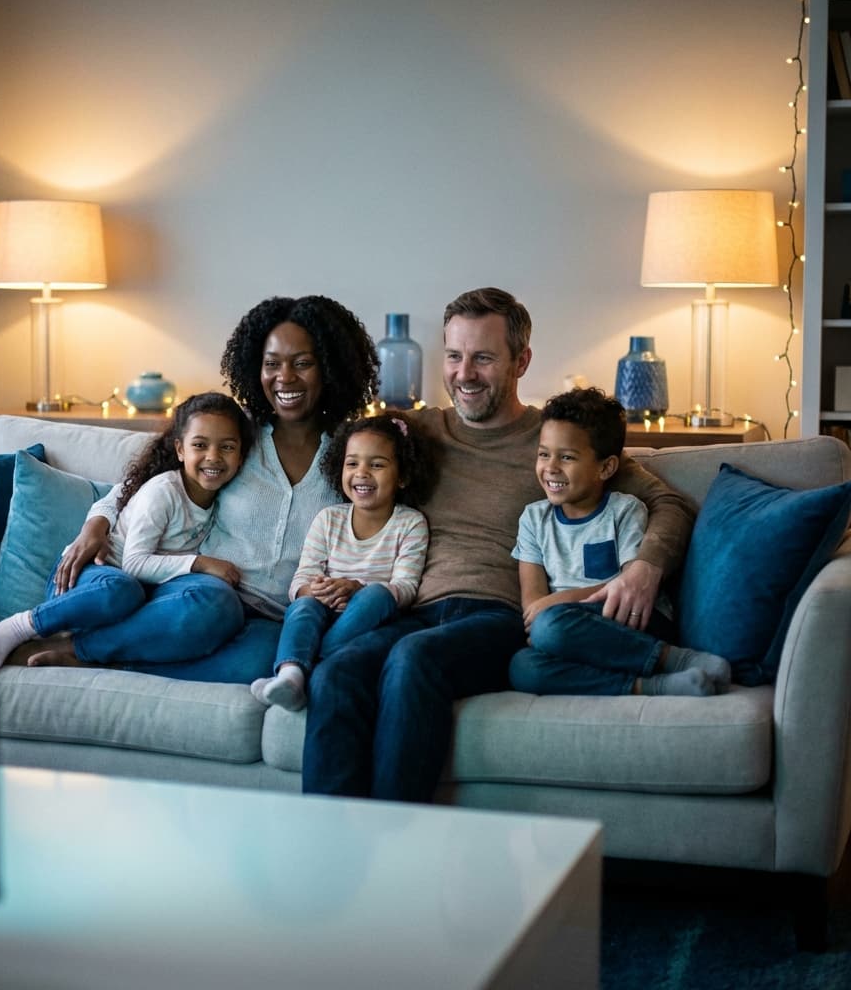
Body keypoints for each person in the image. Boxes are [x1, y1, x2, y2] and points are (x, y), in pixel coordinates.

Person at [301, 287, 697, 802]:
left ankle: (399, 837)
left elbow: (669, 502)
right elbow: (341, 446)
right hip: (414, 611)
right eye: (454, 356)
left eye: (483, 358)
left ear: (521, 361)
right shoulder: (416, 433)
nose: (464, 374)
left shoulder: (554, 443)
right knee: (336, 673)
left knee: (413, 659)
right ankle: (327, 840)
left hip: (496, 618)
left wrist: (644, 568)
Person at [15, 295, 380, 684]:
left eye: (302, 363)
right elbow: (137, 487)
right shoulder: (235, 437)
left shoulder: (350, 454)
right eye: (272, 364)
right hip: (201, 594)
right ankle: (82, 649)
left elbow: (373, 531)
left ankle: (113, 660)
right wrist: (96, 525)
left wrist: (352, 584)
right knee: (214, 605)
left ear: (330, 367)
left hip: (272, 616)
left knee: (261, 663)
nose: (284, 377)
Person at [0, 392, 253, 672]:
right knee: (122, 590)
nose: (213, 457)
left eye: (227, 447)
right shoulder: (163, 492)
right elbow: (134, 563)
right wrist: (200, 563)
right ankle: (21, 626)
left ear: (241, 455)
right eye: (199, 445)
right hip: (90, 579)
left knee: (208, 604)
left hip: (144, 591)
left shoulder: (227, 496)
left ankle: (83, 652)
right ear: (180, 449)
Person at [508, 387, 730, 697]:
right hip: (570, 630)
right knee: (522, 667)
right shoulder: (533, 520)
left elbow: (628, 586)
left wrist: (561, 602)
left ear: (606, 467)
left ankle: (674, 658)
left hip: (630, 617)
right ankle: (653, 686)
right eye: (544, 454)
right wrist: (553, 614)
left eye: (567, 457)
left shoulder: (624, 511)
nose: (551, 467)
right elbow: (533, 606)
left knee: (550, 627)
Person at [250, 413, 432, 711]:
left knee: (377, 594)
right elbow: (301, 581)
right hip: (323, 616)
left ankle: (312, 667)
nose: (362, 473)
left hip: (368, 620)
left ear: (403, 476)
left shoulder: (410, 523)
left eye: (377, 465)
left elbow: (406, 587)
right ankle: (291, 675)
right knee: (303, 605)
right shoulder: (328, 518)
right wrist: (315, 590)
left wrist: (357, 588)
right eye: (352, 463)